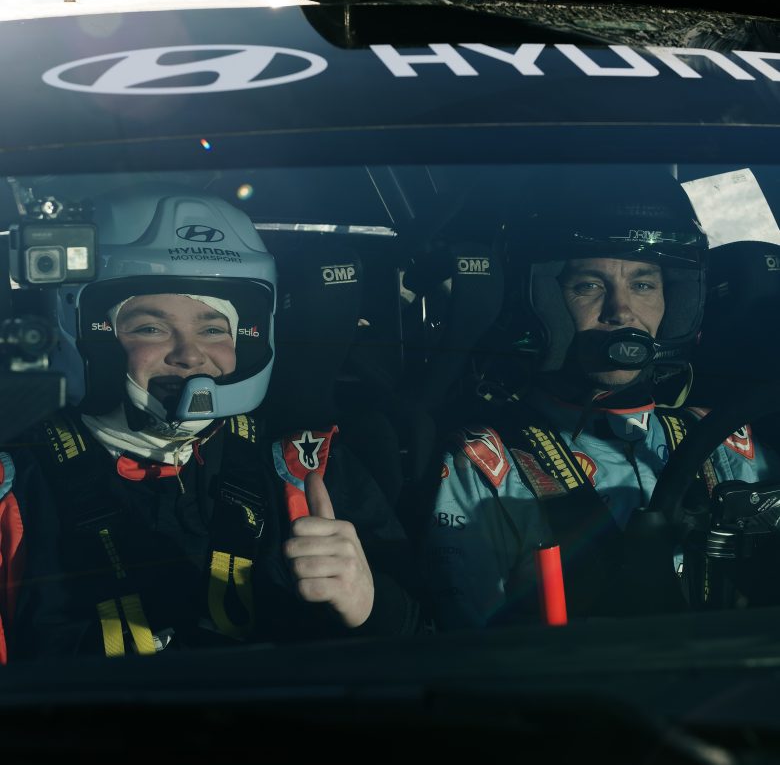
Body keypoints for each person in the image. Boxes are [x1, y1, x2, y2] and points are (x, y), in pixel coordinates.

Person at [5, 193, 420, 659]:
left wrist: (370, 605)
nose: (189, 355)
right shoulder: (18, 487)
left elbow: (430, 650)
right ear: (87, 335)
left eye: (213, 329)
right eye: (149, 328)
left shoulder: (306, 468)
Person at [422, 175, 780, 629]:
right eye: (589, 285)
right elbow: (459, 641)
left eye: (643, 285)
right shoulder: (486, 463)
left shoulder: (723, 440)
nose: (621, 311)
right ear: (544, 301)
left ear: (676, 302)